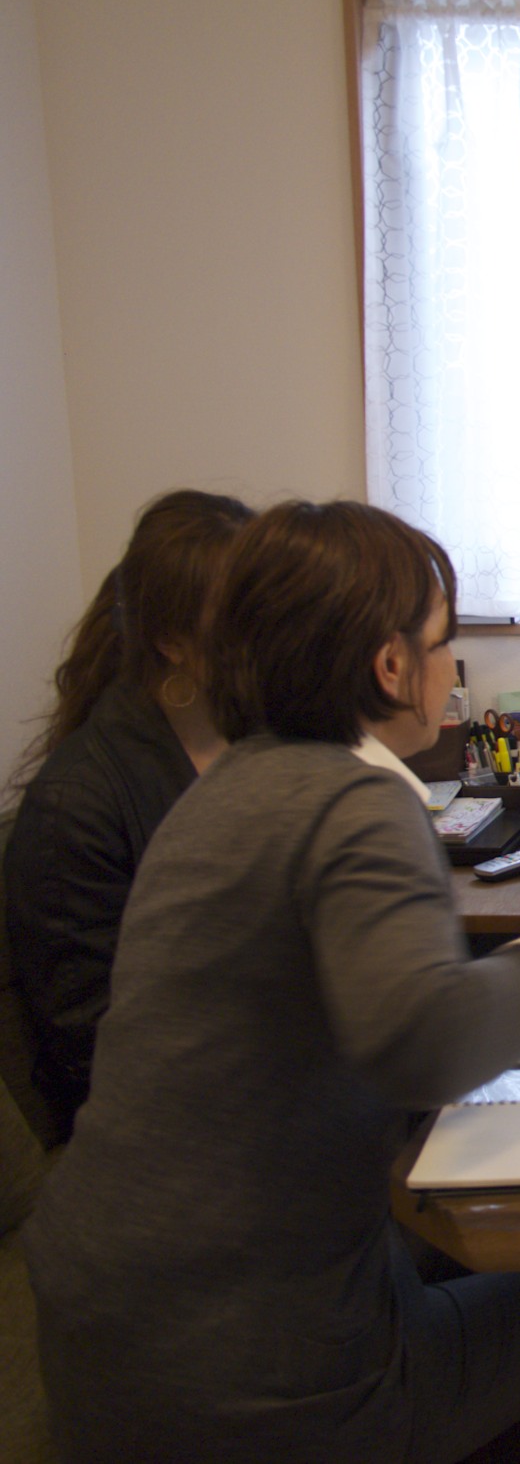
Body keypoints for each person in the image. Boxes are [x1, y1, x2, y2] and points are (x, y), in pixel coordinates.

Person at [24, 501, 520, 1463]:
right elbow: (425, 1042)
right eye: (442, 644)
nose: (451, 669)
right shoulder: (355, 798)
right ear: (391, 666)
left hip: (104, 1329)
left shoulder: (221, 790)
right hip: (252, 1373)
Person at [5, 488, 252, 1140]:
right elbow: (96, 1048)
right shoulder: (76, 807)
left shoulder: (254, 743)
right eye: (246, 616)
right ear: (171, 640)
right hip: (166, 1132)